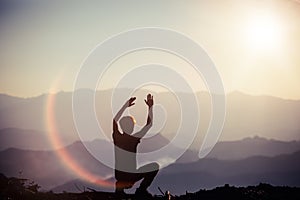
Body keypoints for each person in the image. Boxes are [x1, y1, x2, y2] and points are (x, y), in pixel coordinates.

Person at [112, 94, 159, 197]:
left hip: (119, 176)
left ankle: (120, 188)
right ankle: (141, 190)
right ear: (132, 127)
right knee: (154, 166)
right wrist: (150, 107)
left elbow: (114, 121)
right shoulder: (133, 139)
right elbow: (149, 125)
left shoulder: (117, 137)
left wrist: (125, 106)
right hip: (131, 175)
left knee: (152, 167)